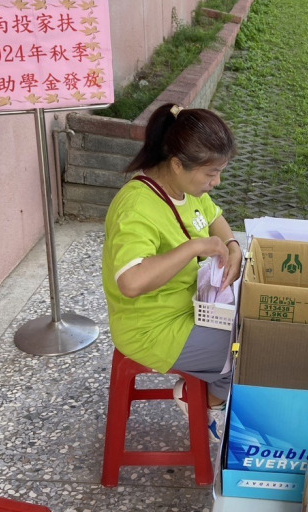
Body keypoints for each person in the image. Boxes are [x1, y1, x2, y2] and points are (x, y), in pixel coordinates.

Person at [101, 103, 241, 442]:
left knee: (253, 328)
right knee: (247, 352)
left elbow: (214, 217)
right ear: (177, 164)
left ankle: (210, 388)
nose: (216, 182)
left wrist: (233, 245)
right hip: (151, 326)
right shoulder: (137, 206)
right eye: (211, 174)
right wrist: (194, 247)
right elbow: (131, 282)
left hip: (189, 308)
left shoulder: (186, 190)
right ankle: (204, 401)